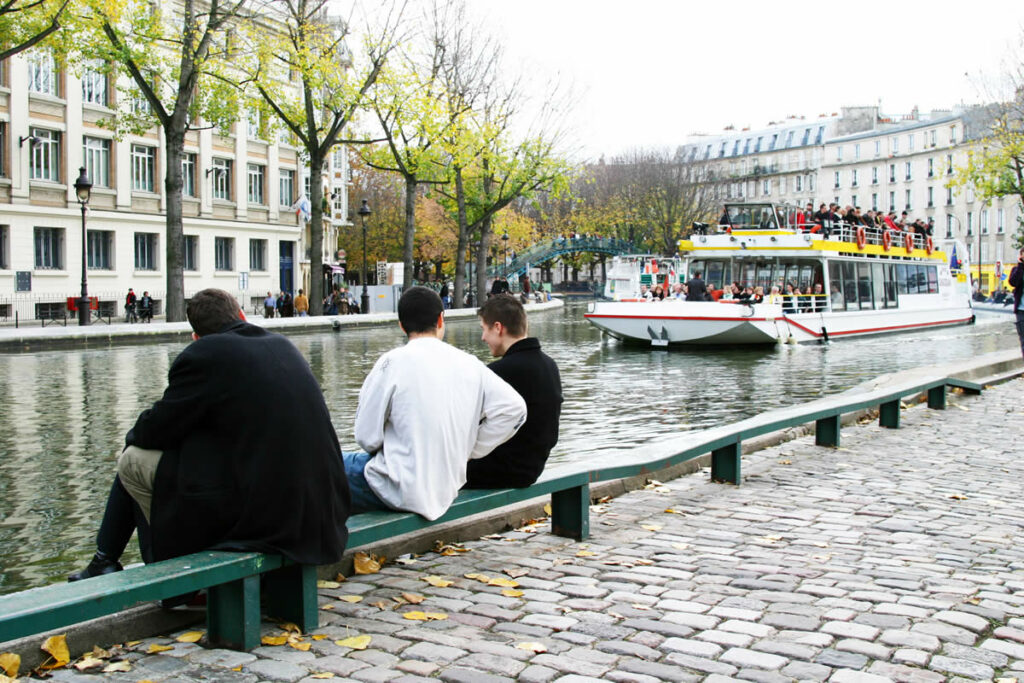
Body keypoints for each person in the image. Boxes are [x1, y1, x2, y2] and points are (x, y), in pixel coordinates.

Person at [68, 289, 350, 580]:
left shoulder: (205, 354)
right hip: (322, 515)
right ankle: (109, 560)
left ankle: (154, 572)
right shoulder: (282, 345)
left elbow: (154, 430)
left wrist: (138, 434)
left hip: (272, 520)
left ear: (196, 336)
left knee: (132, 460)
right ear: (241, 315)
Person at [342, 286, 526, 520]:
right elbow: (515, 410)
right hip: (447, 487)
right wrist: (468, 449)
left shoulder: (391, 363)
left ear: (401, 325)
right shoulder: (470, 364)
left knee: (324, 462)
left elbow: (366, 438)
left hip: (396, 487)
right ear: (441, 319)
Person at [466, 295, 562, 489]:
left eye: (484, 329)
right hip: (532, 468)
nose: (483, 337)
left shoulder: (498, 373)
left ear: (498, 328)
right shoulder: (549, 365)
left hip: (496, 472)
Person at [1010, 248, 1024, 358]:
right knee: (1023, 339)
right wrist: (1020, 266)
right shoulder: (1016, 269)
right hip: (1021, 309)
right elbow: (1013, 282)